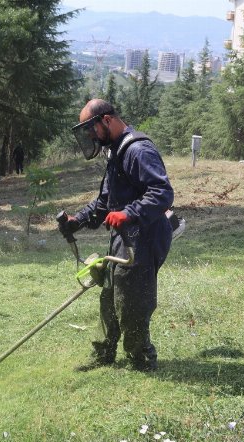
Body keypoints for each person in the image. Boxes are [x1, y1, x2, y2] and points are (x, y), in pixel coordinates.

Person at [59, 99, 174, 372]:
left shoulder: (138, 150)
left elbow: (162, 193)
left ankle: (141, 359)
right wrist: (78, 221)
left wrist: (130, 212)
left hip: (144, 237)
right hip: (126, 235)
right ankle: (104, 353)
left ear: (107, 120)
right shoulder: (116, 152)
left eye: (92, 129)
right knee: (110, 294)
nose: (90, 136)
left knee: (132, 301)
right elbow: (105, 202)